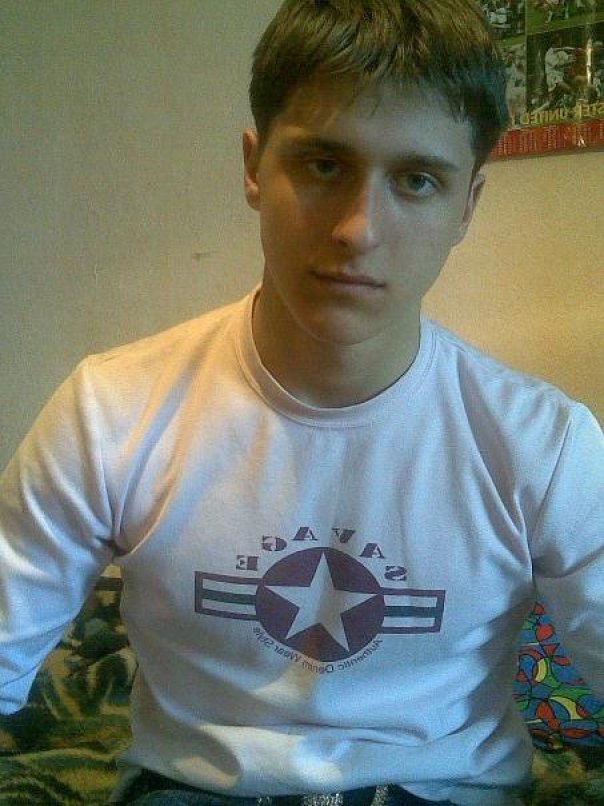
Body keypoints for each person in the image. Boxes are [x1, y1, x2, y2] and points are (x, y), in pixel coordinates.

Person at [1, 1, 602, 805]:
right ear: (254, 168)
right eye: (324, 165)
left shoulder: (546, 446)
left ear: (467, 205)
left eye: (416, 180)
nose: (358, 229)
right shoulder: (109, 412)